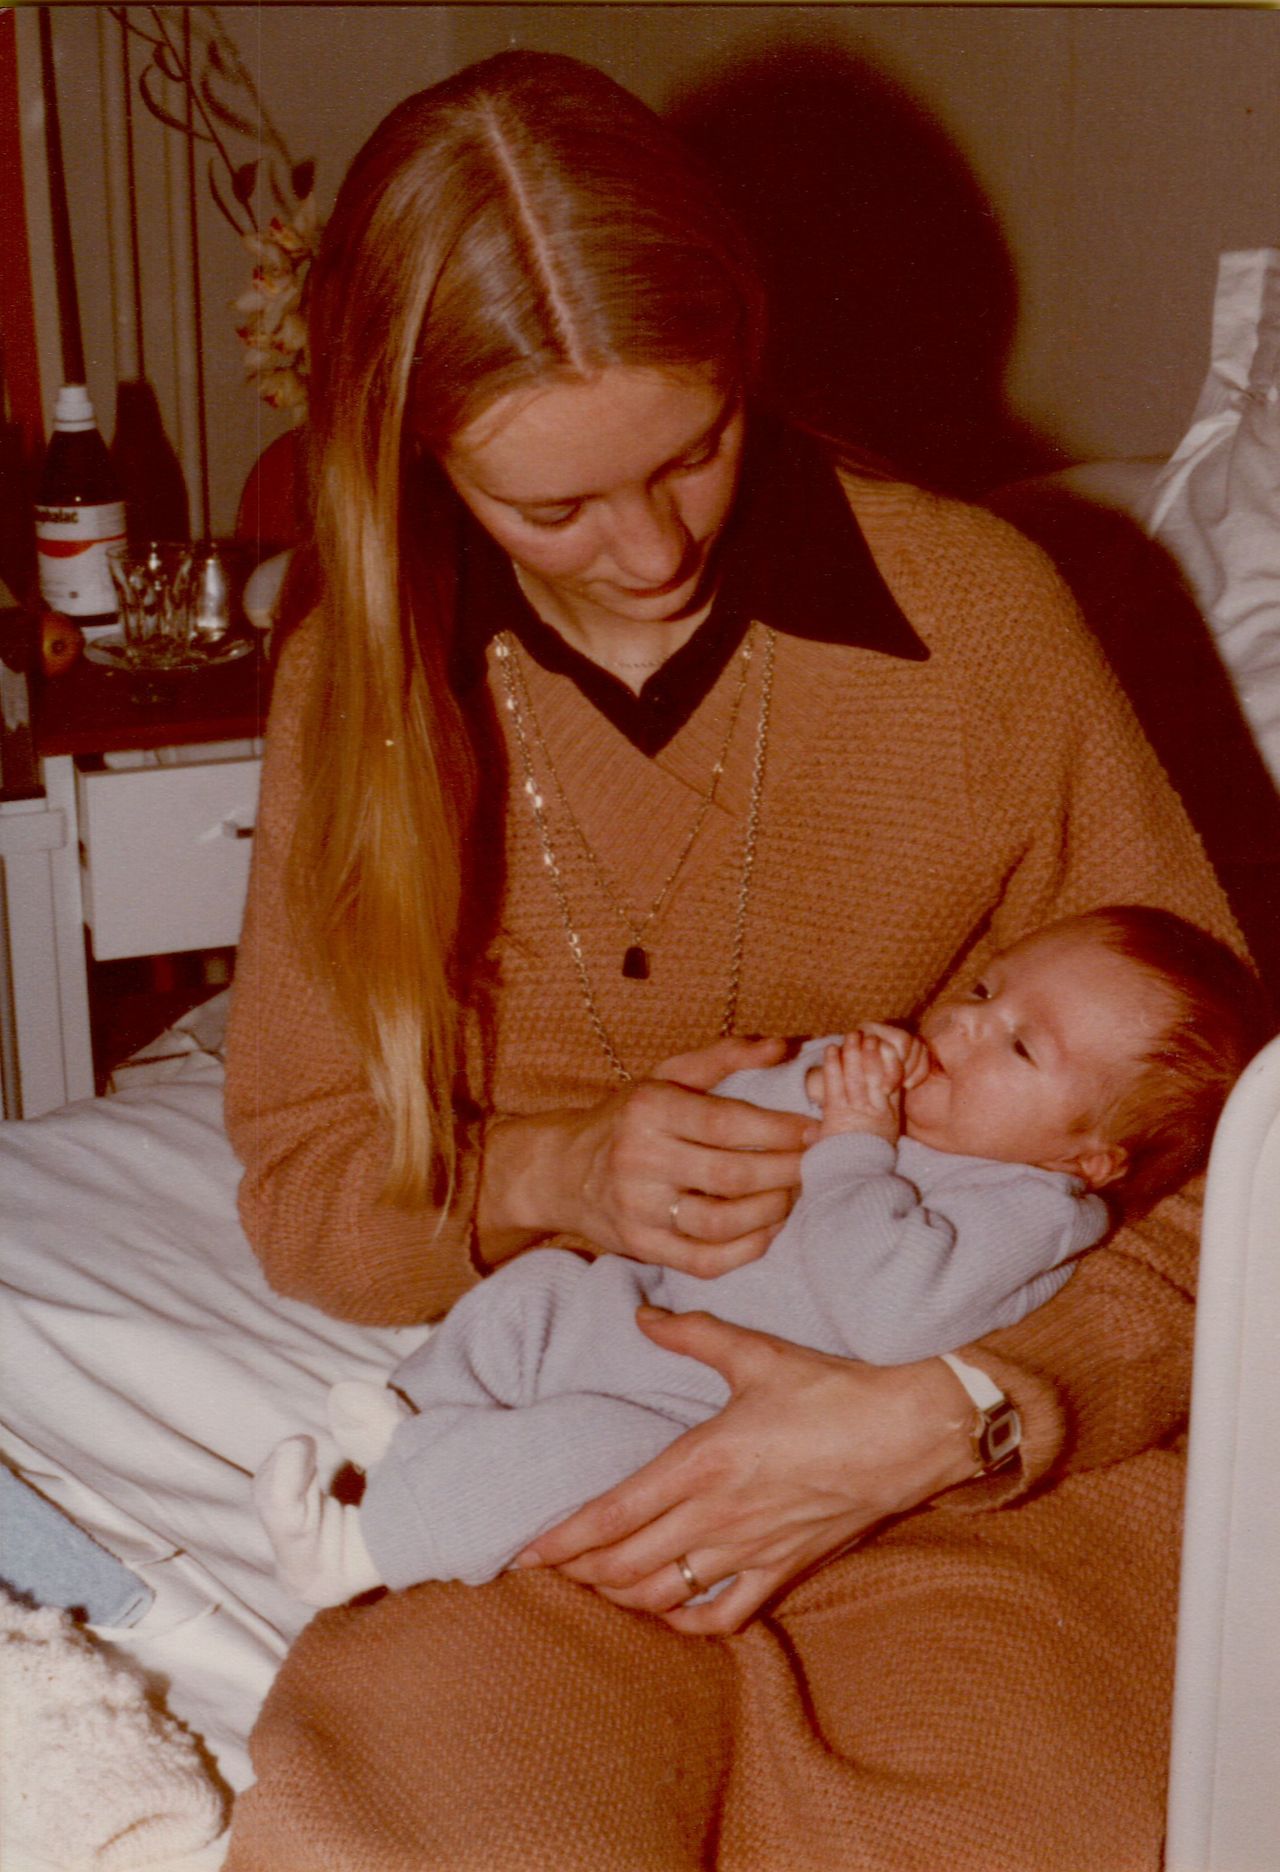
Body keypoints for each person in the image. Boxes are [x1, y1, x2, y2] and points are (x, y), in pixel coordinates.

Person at [222, 49, 1258, 1872]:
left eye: (691, 449)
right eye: (553, 509)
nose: (652, 547)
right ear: (421, 463)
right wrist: (552, 1171)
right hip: (569, 1457)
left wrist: (960, 1413)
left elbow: (1235, 1175)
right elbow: (310, 1188)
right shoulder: (357, 699)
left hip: (982, 1487)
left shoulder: (988, 625)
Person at [252, 906, 1264, 1608]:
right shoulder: (904, 1095)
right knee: (540, 1294)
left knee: (584, 1454)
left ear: (1089, 1153)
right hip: (638, 1317)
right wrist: (790, 1088)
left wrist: (855, 1138)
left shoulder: (1031, 1208)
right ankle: (421, 1423)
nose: (959, 1026)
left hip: (704, 1419)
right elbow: (732, 1132)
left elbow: (889, 1312)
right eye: (982, 988)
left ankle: (360, 1548)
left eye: (1018, 1049)